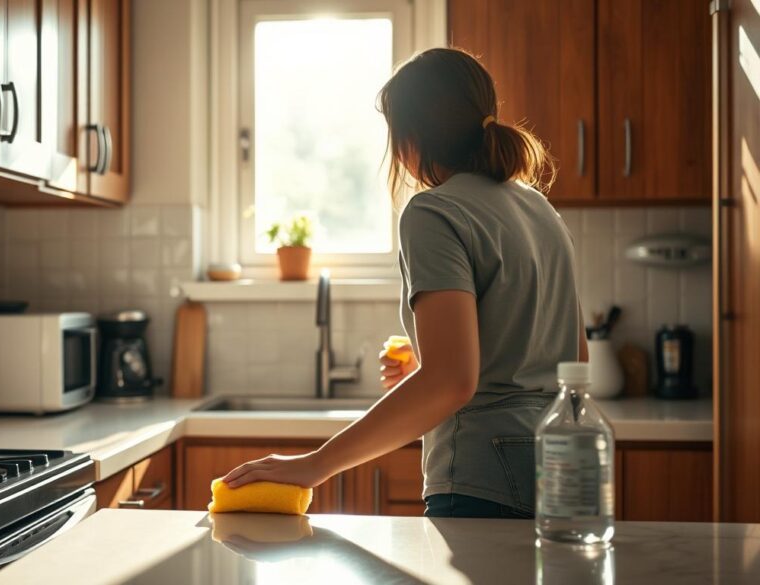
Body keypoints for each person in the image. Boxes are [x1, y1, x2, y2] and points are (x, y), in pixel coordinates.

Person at [221, 48, 588, 519]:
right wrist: (428, 368)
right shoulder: (540, 209)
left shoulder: (434, 211)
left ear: (410, 140)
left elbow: (453, 382)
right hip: (562, 466)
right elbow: (575, 359)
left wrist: (314, 465)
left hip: (483, 479)